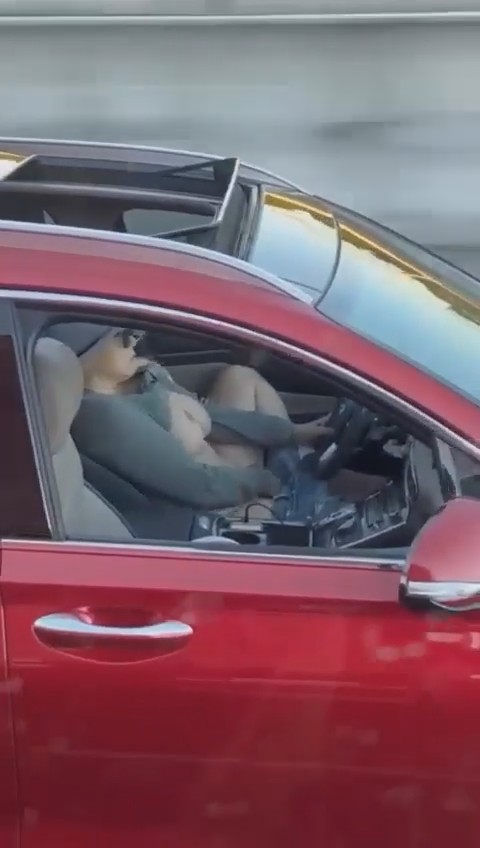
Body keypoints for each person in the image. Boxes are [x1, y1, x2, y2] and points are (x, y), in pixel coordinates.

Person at [46, 323, 384, 516]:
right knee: (356, 499)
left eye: (132, 331)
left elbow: (213, 418)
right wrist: (274, 484)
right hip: (222, 506)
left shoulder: (139, 376)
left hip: (233, 474)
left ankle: (315, 473)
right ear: (80, 356)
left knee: (240, 376)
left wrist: (295, 433)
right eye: (121, 337)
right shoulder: (103, 418)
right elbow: (197, 486)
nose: (135, 340)